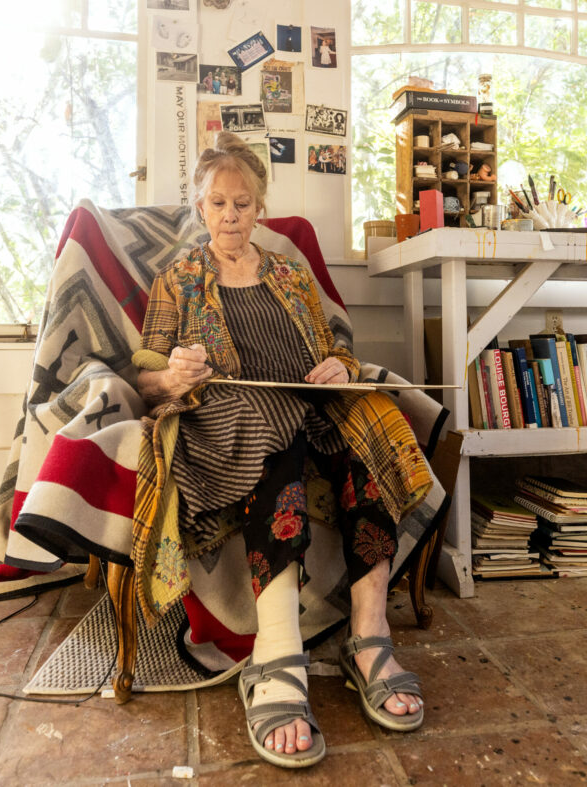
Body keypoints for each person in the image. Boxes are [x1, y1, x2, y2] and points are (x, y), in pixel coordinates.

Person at [136, 132, 429, 768]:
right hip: (231, 413)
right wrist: (173, 376)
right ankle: (276, 651)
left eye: (242, 203)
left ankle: (369, 636)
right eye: (218, 204)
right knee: (270, 428)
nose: (231, 216)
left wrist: (336, 368)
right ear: (200, 207)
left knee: (372, 422)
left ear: (260, 206)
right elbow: (145, 376)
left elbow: (334, 350)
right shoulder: (178, 280)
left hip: (308, 405)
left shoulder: (291, 276)